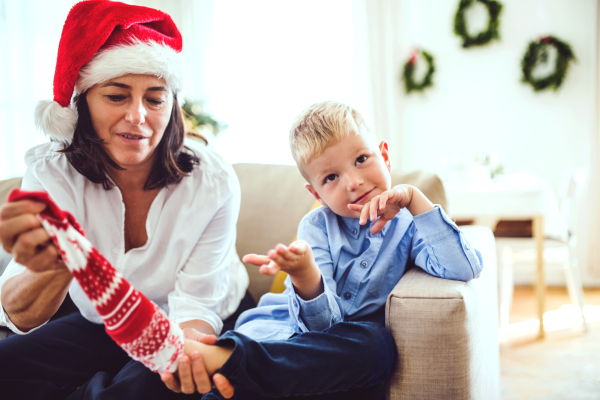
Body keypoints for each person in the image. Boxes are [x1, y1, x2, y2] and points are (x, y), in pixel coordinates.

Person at [0, 1, 252, 399]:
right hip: (105, 323)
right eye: (117, 96)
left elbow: (196, 310)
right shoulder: (52, 174)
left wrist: (177, 362)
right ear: (82, 104)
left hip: (197, 320)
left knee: (153, 383)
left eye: (155, 99)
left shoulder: (212, 180)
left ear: (171, 106)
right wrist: (62, 257)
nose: (138, 116)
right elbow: (19, 313)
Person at [171, 101, 485, 400]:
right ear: (316, 193)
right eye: (331, 177)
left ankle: (235, 369)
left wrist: (415, 198)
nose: (353, 182)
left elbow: (464, 268)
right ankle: (231, 364)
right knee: (369, 347)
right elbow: (319, 331)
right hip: (278, 336)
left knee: (376, 346)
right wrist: (305, 274)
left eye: (362, 159)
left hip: (333, 359)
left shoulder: (411, 223)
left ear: (385, 156)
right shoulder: (317, 226)